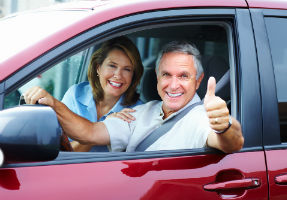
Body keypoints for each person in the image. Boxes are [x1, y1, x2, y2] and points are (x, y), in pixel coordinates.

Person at [24, 41, 244, 153]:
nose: (173, 84)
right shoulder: (140, 112)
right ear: (156, 78)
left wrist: (224, 125)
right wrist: (52, 103)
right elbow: (89, 132)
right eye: (166, 74)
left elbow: (231, 144)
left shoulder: (202, 117)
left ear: (198, 81)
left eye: (184, 76)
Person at [24, 36, 144, 152]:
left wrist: (99, 131)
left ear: (133, 75)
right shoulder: (76, 94)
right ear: (98, 68)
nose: (118, 75)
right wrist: (101, 128)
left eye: (127, 69)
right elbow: (63, 153)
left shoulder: (138, 112)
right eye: (112, 65)